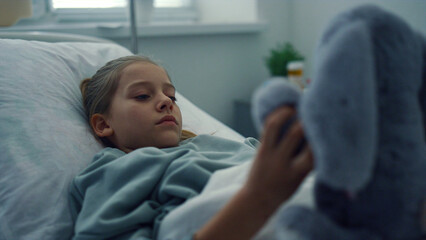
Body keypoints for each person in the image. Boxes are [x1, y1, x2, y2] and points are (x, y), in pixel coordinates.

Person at [71, 55, 314, 240]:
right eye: (143, 96)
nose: (166, 101)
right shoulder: (117, 169)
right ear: (103, 124)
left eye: (172, 97)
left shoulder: (225, 145)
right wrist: (259, 197)